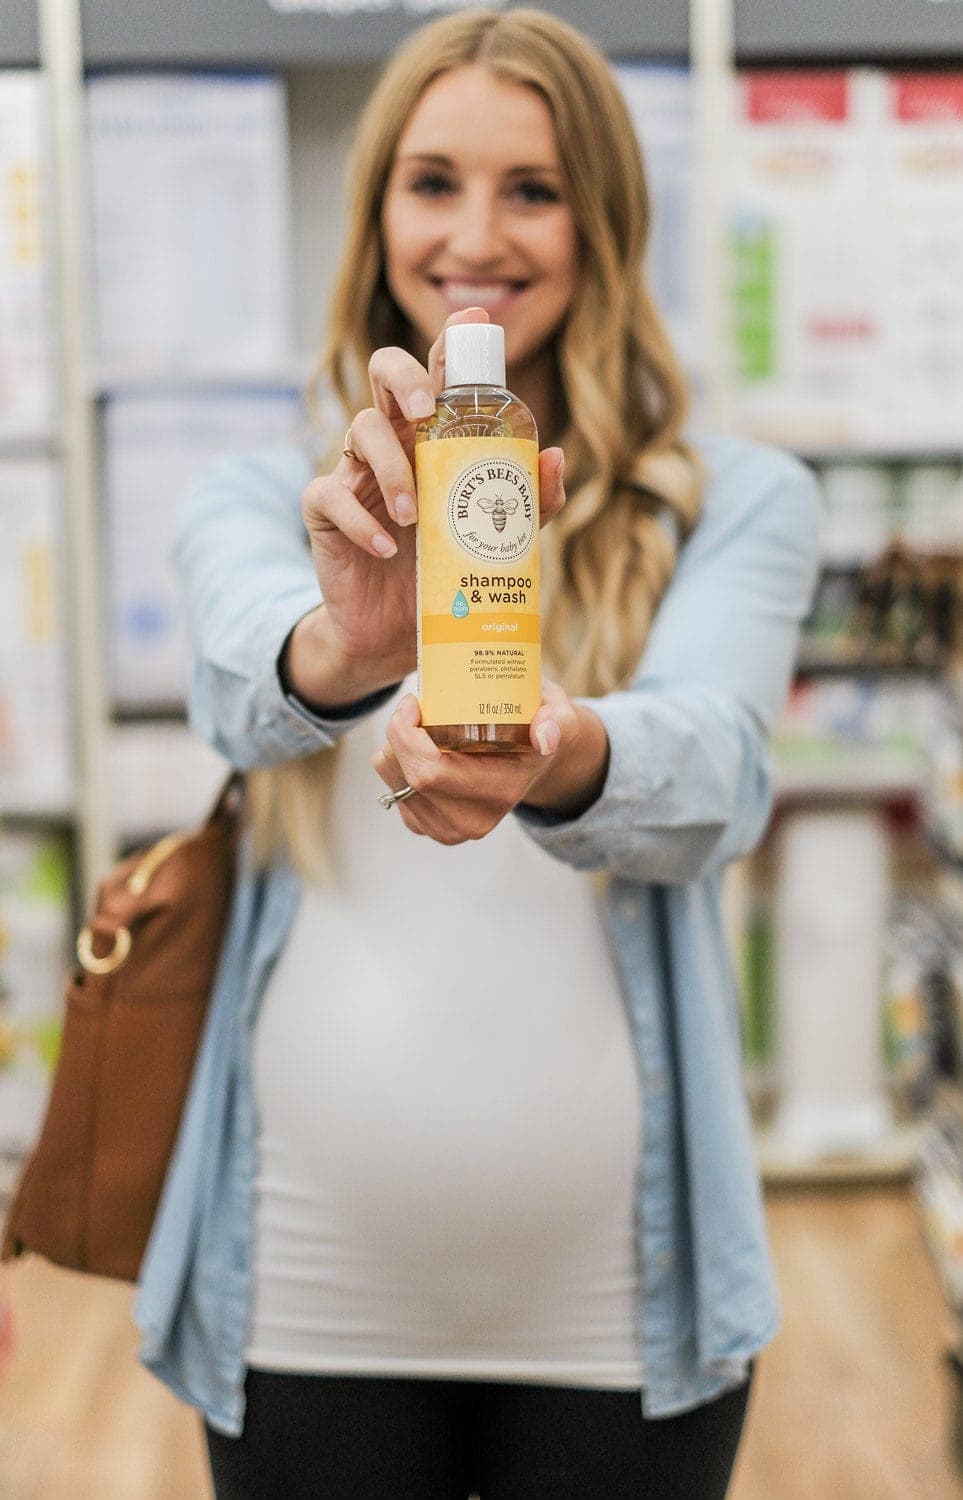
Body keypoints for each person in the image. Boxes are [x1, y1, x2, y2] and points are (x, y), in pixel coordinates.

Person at [135, 9, 820, 1498]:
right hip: (303, 1289)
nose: (477, 235)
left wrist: (559, 750)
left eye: (535, 187)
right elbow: (235, 681)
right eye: (434, 180)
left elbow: (716, 767)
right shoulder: (270, 492)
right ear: (375, 208)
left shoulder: (737, 500)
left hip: (618, 1319)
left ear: (607, 222)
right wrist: (351, 645)